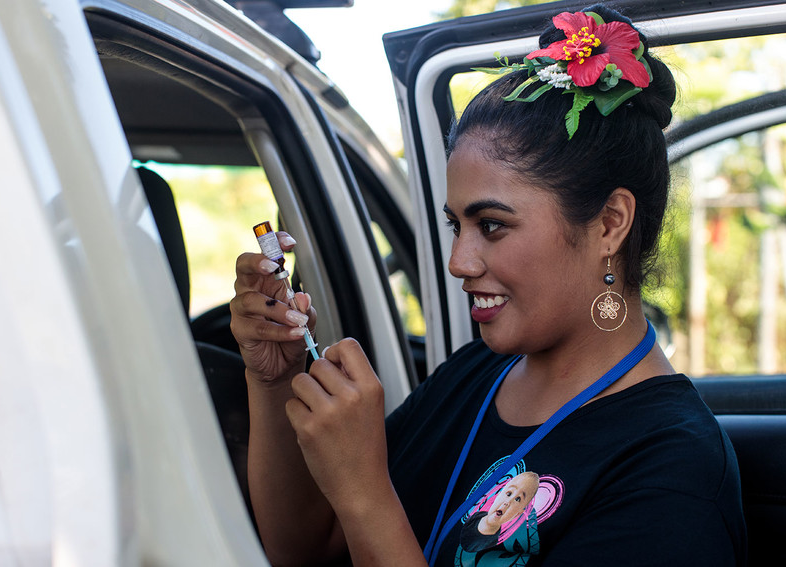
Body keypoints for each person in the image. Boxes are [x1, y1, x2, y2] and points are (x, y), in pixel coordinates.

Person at [230, 5, 747, 566]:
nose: (458, 261)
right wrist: (274, 380)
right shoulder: (473, 376)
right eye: (457, 225)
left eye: (492, 225)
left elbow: (361, 515)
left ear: (609, 224)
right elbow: (300, 549)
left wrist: (363, 492)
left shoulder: (671, 469)